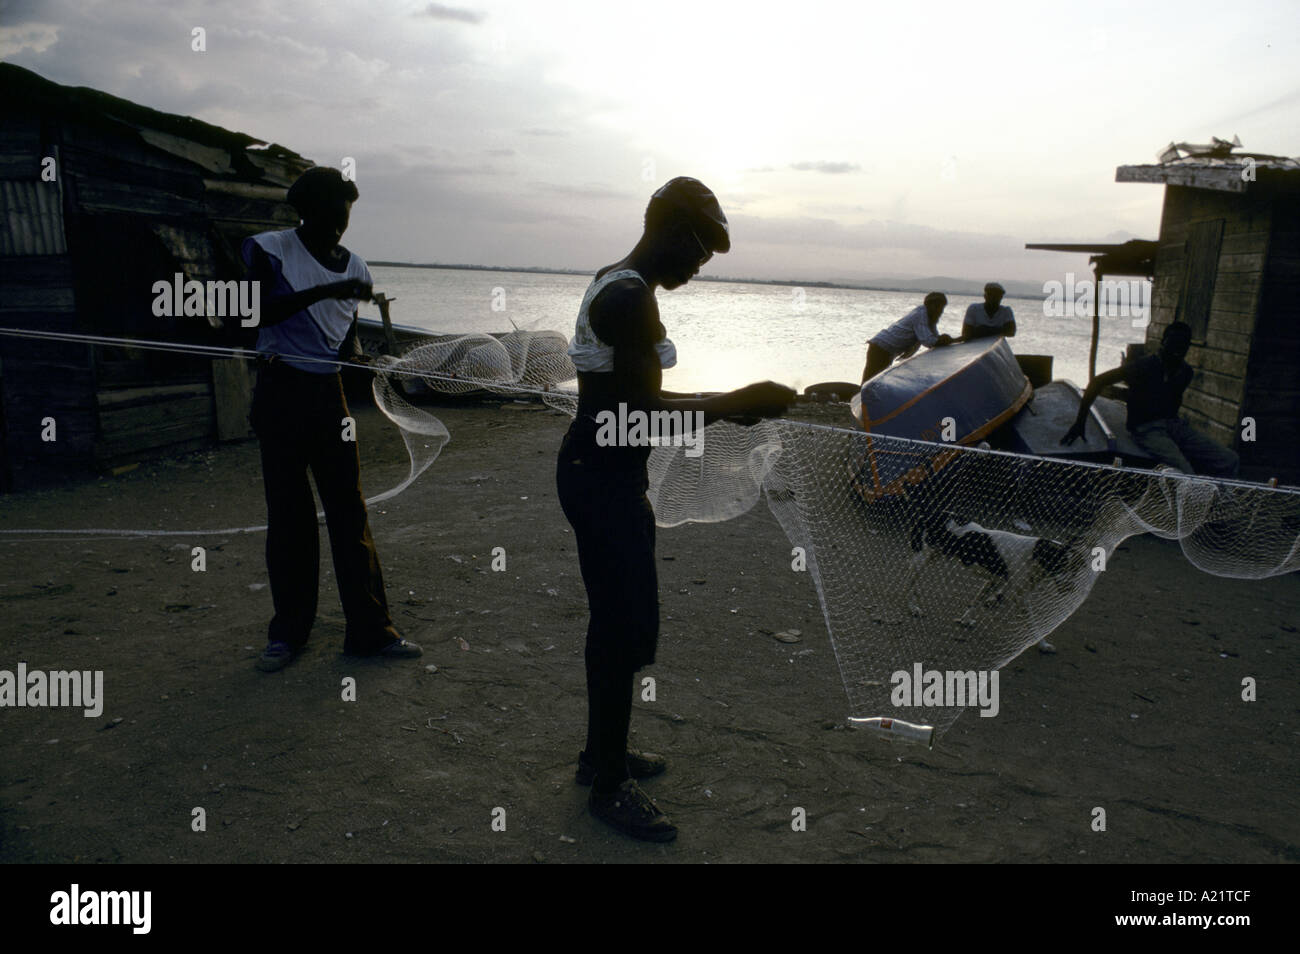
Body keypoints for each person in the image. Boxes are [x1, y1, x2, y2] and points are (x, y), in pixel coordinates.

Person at [557, 177, 795, 842]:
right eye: (700, 250)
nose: (701, 264)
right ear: (671, 231)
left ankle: (600, 753)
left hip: (596, 473)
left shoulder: (617, 280)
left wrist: (729, 401)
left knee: (623, 623)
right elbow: (631, 419)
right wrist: (728, 403)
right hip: (601, 480)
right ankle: (608, 784)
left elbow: (631, 402)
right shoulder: (631, 298)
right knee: (621, 627)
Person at [242, 166, 422, 672]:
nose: (339, 230)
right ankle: (288, 635)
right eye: (329, 219)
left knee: (349, 509)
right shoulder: (270, 250)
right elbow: (255, 315)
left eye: (345, 220)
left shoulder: (356, 266)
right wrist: (325, 293)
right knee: (290, 514)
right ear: (306, 212)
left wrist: (359, 358)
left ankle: (370, 631)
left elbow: (344, 337)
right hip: (280, 390)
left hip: (328, 394)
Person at [1062, 321, 1239, 476]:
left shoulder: (1185, 372)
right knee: (1185, 472)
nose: (1178, 350)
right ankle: (1189, 509)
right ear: (1163, 343)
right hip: (1145, 429)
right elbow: (1097, 382)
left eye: (1183, 346)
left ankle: (1219, 505)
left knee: (1229, 460)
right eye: (1173, 344)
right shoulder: (1142, 367)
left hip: (1174, 426)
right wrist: (1080, 422)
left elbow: (1170, 404)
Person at [861, 292, 954, 383]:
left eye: (942, 308)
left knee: (874, 381)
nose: (940, 311)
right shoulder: (920, 315)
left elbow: (934, 337)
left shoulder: (930, 317)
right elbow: (928, 341)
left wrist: (948, 340)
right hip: (881, 347)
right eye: (938, 307)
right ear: (930, 305)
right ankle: (855, 396)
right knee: (870, 382)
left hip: (886, 350)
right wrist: (946, 340)